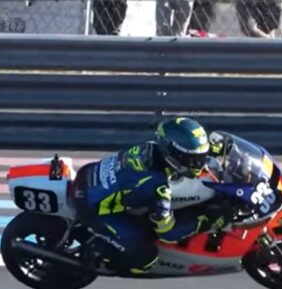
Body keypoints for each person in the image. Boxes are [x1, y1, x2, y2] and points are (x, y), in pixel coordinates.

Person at [71, 117, 236, 274]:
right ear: (173, 154)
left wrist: (218, 149)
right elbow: (168, 233)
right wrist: (206, 222)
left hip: (90, 174)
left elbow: (190, 148)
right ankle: (101, 255)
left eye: (200, 157)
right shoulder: (156, 186)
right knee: (145, 256)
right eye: (193, 159)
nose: (198, 163)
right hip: (91, 206)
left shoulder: (154, 148)